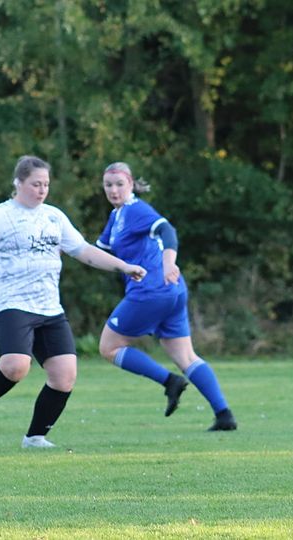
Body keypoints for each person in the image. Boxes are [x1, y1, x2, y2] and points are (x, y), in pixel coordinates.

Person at [0, 156, 146, 448]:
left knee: (64, 375)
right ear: (18, 183)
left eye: (46, 184)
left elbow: (84, 251)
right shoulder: (0, 216)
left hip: (49, 306)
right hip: (11, 300)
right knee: (16, 366)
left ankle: (34, 438)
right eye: (35, 184)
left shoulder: (54, 216)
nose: (42, 190)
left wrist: (124, 266)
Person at [95, 162, 236, 431]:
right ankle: (224, 415)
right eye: (108, 185)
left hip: (150, 290)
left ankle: (169, 382)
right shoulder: (117, 217)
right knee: (186, 357)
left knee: (109, 347)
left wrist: (169, 262)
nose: (113, 190)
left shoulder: (136, 209)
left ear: (131, 184)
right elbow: (97, 251)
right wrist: (62, 246)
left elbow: (167, 230)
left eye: (119, 184)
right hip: (172, 291)